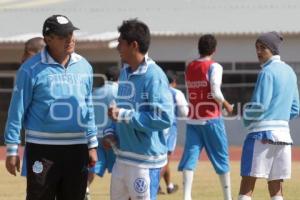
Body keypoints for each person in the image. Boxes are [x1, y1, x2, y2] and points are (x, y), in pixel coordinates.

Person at [4, 14, 98, 200]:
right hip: (42, 149)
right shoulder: (30, 69)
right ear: (48, 39)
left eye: (71, 33)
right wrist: (12, 150)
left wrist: (92, 144)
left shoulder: (85, 66)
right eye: (63, 36)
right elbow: (17, 111)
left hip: (77, 148)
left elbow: (88, 107)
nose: (70, 39)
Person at [103, 19, 173, 200]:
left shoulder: (154, 75)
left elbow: (164, 117)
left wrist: (123, 115)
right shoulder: (125, 72)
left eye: (121, 43)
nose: (118, 47)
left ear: (134, 45)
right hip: (122, 157)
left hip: (145, 162)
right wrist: (110, 130)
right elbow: (120, 109)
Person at [238, 32, 299, 200]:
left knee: (248, 182)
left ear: (272, 49)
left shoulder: (266, 72)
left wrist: (245, 118)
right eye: (256, 48)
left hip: (261, 134)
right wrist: (279, 116)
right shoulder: (290, 72)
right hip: (284, 137)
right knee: (276, 185)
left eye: (262, 48)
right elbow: (295, 108)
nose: (258, 52)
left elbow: (259, 106)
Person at [178, 34, 233, 200]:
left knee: (190, 158)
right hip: (211, 119)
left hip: (193, 119)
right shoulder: (214, 66)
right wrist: (227, 104)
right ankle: (227, 197)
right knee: (221, 157)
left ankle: (187, 196)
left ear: (199, 48)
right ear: (214, 50)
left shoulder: (190, 66)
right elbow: (215, 91)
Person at [85, 67, 120, 200]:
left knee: (93, 166)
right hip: (112, 136)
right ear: (119, 78)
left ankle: (85, 188)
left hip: (95, 135)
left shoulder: (95, 92)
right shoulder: (119, 92)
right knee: (118, 167)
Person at [158, 71, 189, 195]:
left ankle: (169, 186)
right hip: (169, 129)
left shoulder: (156, 91)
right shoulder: (176, 93)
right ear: (174, 82)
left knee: (160, 159)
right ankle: (153, 185)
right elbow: (185, 113)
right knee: (165, 160)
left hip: (154, 127)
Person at [19, 37, 46, 177]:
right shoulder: (26, 73)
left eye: (26, 53)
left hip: (48, 143)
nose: (22, 58)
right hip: (34, 141)